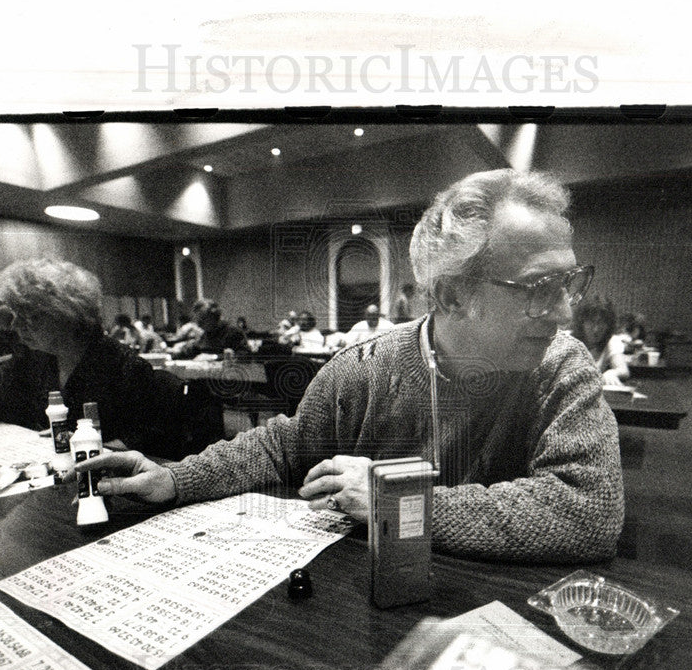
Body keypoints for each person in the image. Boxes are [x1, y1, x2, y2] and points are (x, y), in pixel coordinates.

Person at [79, 169, 623, 563]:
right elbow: (282, 447)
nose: (566, 310)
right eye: (540, 288)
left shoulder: (562, 367)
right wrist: (175, 477)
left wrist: (398, 499)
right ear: (452, 296)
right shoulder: (363, 369)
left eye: (570, 281)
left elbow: (589, 512)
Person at [0, 258, 222, 459]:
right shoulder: (32, 358)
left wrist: (87, 446)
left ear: (67, 315)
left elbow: (156, 441)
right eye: (15, 316)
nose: (15, 326)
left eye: (30, 317)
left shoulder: (125, 368)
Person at [571, 296, 631, 386]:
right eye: (591, 322)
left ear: (609, 325)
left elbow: (623, 370)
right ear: (581, 323)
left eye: (601, 323)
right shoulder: (568, 340)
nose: (596, 329)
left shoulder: (611, 341)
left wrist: (612, 373)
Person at [170, 299, 249, 359]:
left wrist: (215, 357)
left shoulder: (233, 332)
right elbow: (194, 349)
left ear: (214, 317)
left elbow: (245, 355)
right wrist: (172, 355)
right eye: (197, 320)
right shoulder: (207, 333)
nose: (198, 324)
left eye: (202, 320)